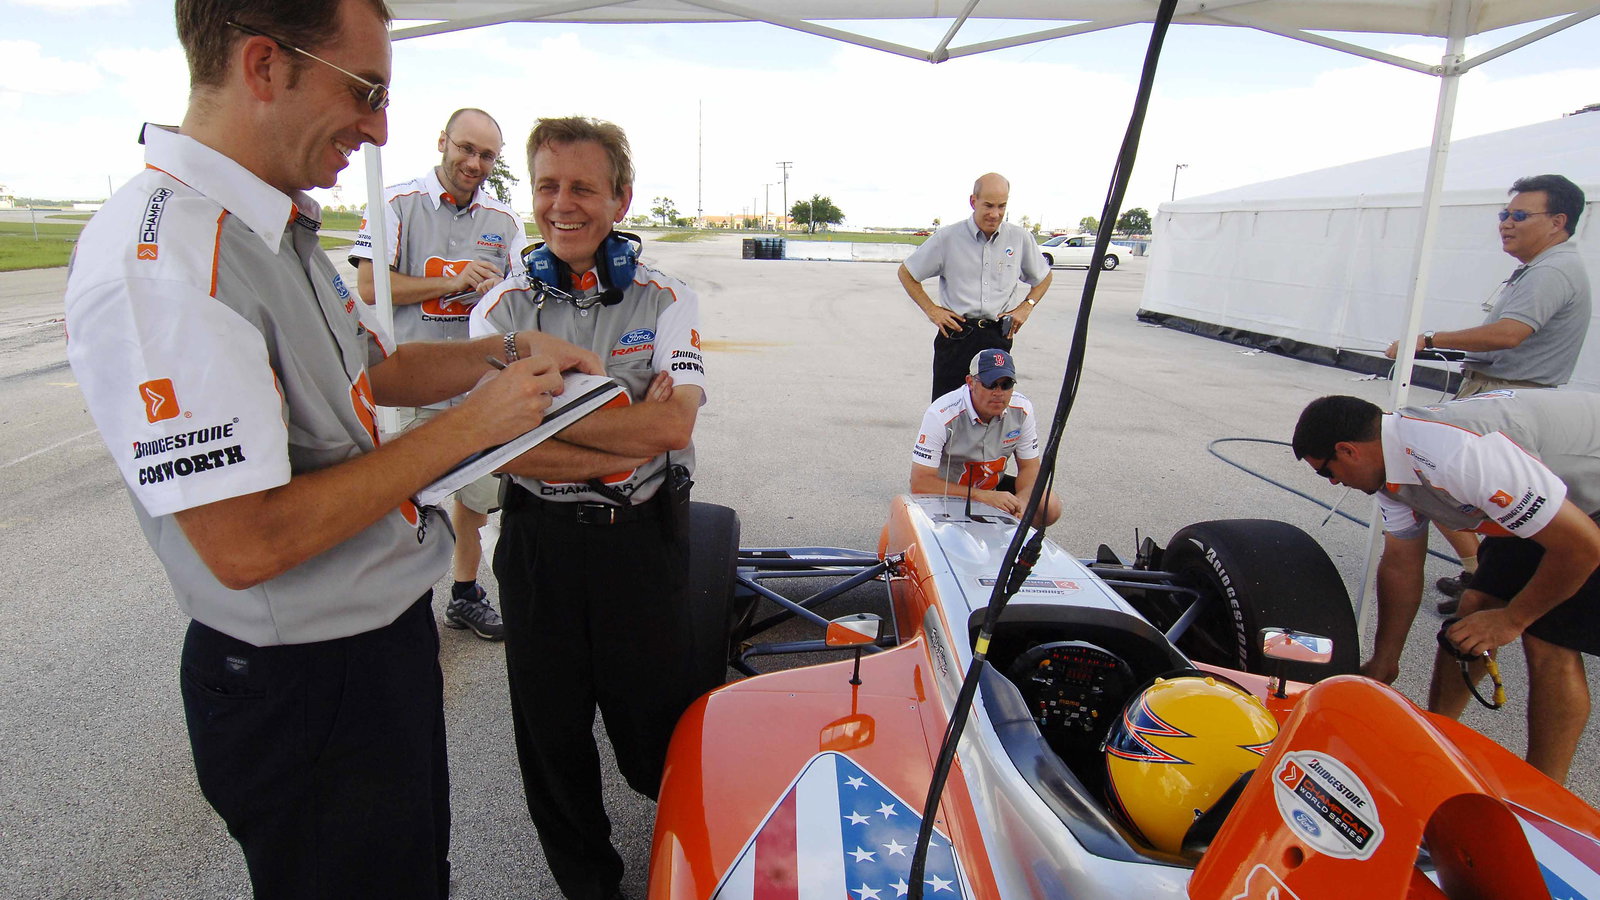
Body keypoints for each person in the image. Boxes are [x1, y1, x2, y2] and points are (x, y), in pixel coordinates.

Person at [62, 2, 598, 896]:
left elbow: (373, 370)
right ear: (265, 66)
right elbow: (246, 544)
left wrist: (506, 353)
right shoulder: (164, 260)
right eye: (366, 90)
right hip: (303, 684)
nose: (381, 126)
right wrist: (476, 423)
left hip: (369, 647)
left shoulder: (270, 225)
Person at [468, 116, 705, 900]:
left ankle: (690, 859)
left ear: (620, 197)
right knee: (553, 741)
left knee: (658, 735)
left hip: (640, 544)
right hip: (540, 549)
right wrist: (620, 438)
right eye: (547, 185)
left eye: (582, 187)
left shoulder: (667, 296)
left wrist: (542, 422)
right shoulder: (500, 310)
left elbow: (673, 425)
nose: (562, 204)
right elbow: (498, 450)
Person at [1292, 391, 1600, 783]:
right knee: (1473, 606)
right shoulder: (1389, 469)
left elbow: (1583, 547)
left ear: (1348, 450)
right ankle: (1435, 739)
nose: (1334, 483)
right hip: (1544, 498)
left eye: (1327, 471)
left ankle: (1546, 792)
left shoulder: (1459, 457)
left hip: (1588, 512)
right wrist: (1385, 660)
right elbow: (1402, 565)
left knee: (1547, 639)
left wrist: (1512, 619)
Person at [350, 106, 528, 640]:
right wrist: (449, 283)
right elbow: (369, 287)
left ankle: (464, 593)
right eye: (465, 149)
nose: (474, 163)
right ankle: (402, 611)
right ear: (442, 142)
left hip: (476, 381)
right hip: (413, 376)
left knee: (476, 500)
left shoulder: (505, 221)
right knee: (408, 498)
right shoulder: (395, 203)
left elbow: (517, 297)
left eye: (487, 155)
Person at [1383, 175, 1590, 609]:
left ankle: (1491, 589)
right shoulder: (1540, 268)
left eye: (1519, 215)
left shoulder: (1553, 270)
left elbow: (1510, 334)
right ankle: (1482, 577)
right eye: (1503, 214)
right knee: (1455, 486)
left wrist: (1429, 340)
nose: (1506, 223)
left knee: (1437, 479)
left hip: (1511, 398)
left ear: (1558, 222)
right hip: (1505, 392)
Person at [899, 173, 1053, 400]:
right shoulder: (948, 238)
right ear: (973, 201)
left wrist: (1026, 306)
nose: (995, 214)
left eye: (1002, 206)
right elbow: (907, 273)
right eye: (988, 205)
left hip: (997, 338)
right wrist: (933, 310)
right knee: (947, 412)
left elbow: (1043, 277)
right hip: (957, 336)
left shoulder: (1019, 239)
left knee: (992, 412)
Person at [911, 349, 1062, 526]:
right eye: (991, 384)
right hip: (946, 495)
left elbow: (1030, 468)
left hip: (991, 489)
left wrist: (1021, 503)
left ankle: (1016, 540)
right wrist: (982, 496)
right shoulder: (941, 414)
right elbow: (920, 482)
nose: (999, 393)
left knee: (1049, 505)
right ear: (970, 382)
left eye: (1006, 385)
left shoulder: (1022, 409)